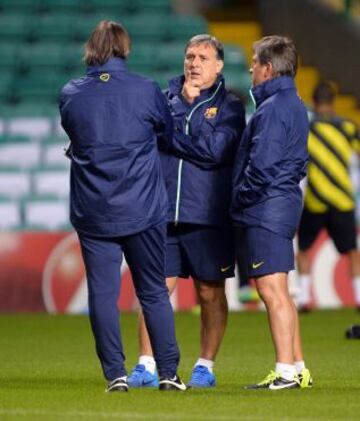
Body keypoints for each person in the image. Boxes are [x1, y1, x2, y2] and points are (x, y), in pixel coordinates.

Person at [59, 20, 186, 392]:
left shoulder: (71, 93)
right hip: (143, 208)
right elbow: (168, 134)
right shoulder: (147, 90)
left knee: (102, 293)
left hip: (94, 210)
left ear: (91, 49)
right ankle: (168, 373)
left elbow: (75, 133)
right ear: (124, 48)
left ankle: (115, 374)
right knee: (153, 292)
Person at [127, 34, 246, 388]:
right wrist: (180, 113)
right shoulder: (164, 100)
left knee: (210, 292)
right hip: (161, 213)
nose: (194, 63)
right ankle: (147, 364)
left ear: (219, 65)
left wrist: (173, 132)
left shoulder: (232, 106)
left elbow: (216, 152)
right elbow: (152, 141)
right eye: (190, 56)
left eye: (203, 58)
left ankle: (205, 366)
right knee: (154, 290)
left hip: (208, 215)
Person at [231, 35, 313, 390]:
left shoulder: (274, 107)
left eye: (254, 62)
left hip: (266, 207)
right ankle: (297, 367)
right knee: (279, 289)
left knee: (271, 291)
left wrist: (240, 199)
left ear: (267, 68)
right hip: (280, 203)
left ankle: (285, 373)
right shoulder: (291, 102)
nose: (250, 68)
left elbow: (261, 167)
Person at [297, 81, 360, 311]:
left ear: (314, 102)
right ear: (332, 102)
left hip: (315, 201)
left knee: (303, 249)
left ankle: (304, 298)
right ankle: (359, 297)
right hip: (342, 198)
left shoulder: (307, 128)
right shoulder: (348, 127)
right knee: (352, 251)